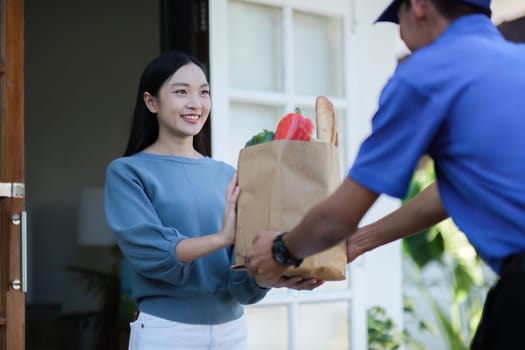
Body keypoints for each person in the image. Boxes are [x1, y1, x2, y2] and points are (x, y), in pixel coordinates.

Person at [244, 0, 525, 348]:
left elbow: (338, 219)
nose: (403, 38)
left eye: (399, 21)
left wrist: (280, 250)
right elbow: (448, 193)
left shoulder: (427, 73)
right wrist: (360, 241)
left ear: (419, 6)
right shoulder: (517, 61)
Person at [104, 51, 322, 350]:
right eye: (181, 92)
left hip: (232, 331)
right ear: (151, 102)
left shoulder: (228, 174)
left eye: (204, 92)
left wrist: (273, 276)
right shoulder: (127, 172)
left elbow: (241, 275)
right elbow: (152, 253)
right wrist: (221, 238)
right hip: (167, 332)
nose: (196, 103)